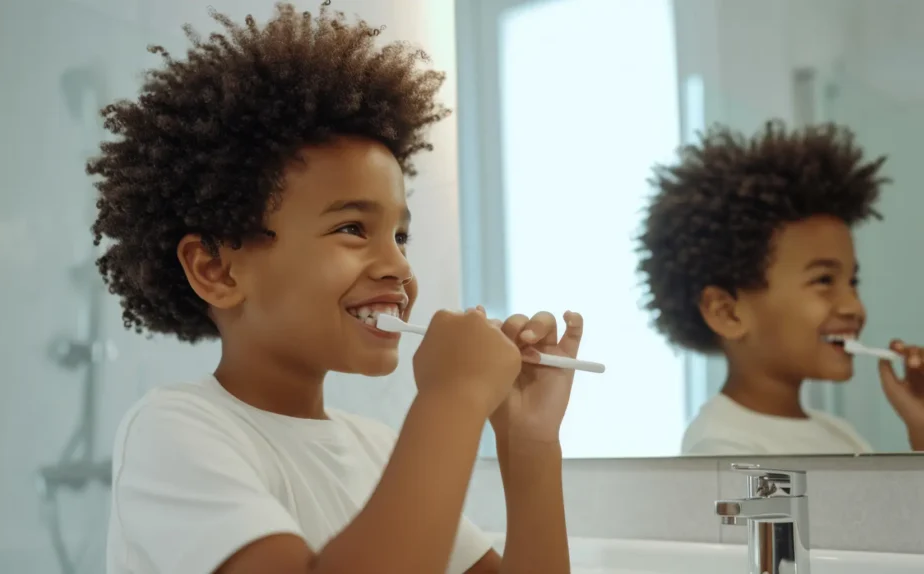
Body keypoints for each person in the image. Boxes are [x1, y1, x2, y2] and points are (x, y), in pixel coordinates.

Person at [89, 4, 578, 573]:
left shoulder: (375, 449)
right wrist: (454, 396)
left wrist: (530, 443)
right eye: (352, 228)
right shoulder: (173, 432)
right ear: (216, 269)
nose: (398, 265)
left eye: (401, 235)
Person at [635, 120, 924, 455]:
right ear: (727, 312)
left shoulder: (838, 433)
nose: (853, 307)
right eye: (824, 280)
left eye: (852, 281)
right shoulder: (722, 448)